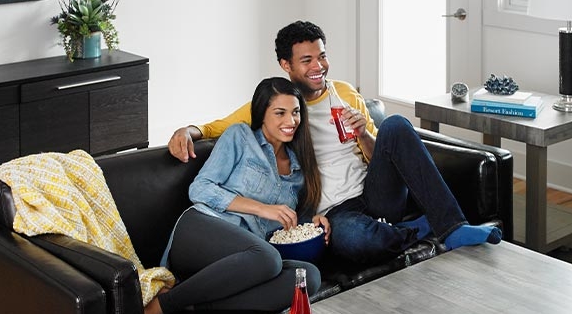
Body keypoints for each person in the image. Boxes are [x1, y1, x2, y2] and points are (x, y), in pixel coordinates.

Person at [168, 21, 501, 264]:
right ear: (286, 66)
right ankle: (418, 227)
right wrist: (188, 130)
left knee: (397, 125)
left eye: (322, 56)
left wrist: (364, 134)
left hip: (374, 191)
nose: (319, 67)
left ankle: (453, 227)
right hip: (334, 211)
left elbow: (378, 156)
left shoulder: (344, 93)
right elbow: (220, 126)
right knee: (354, 241)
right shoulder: (284, 106)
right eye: (307, 61)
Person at [144, 77, 328, 314]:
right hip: (202, 228)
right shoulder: (240, 136)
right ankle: (161, 306)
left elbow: (285, 220)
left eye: (296, 112)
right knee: (268, 258)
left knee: (307, 277)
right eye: (280, 113)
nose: (291, 121)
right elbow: (199, 189)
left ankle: (191, 302)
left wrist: (312, 223)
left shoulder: (298, 170)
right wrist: (263, 209)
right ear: (262, 113)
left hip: (244, 260)